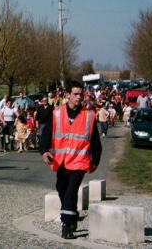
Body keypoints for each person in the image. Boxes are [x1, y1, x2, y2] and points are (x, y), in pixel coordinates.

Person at [40, 80, 102, 240]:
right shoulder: (56, 113)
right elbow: (46, 133)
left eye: (81, 94)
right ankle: (72, 214)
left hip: (80, 161)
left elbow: (95, 140)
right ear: (67, 95)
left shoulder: (89, 115)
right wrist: (44, 151)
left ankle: (67, 225)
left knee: (71, 190)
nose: (79, 97)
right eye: (75, 94)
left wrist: (95, 160)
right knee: (61, 188)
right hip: (60, 160)